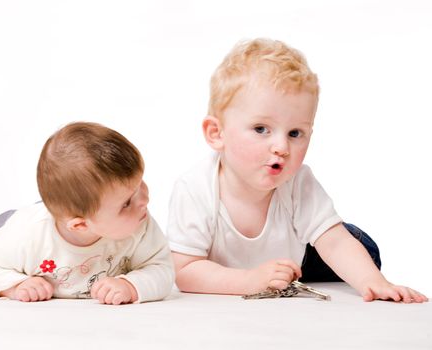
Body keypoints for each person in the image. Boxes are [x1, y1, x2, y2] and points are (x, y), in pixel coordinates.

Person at [167, 38, 427, 303]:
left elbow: (334, 242)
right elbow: (184, 270)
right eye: (261, 129)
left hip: (300, 260)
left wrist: (374, 282)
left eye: (295, 133)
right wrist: (251, 281)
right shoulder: (195, 189)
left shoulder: (297, 181)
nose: (281, 147)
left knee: (364, 250)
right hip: (240, 268)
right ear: (216, 133)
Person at [0, 122, 174, 304]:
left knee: (68, 206)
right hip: (13, 226)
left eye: (140, 184)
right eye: (127, 203)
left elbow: (162, 268)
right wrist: (15, 286)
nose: (144, 200)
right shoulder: (27, 235)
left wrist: (131, 286)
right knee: (2, 237)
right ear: (81, 225)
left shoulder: (139, 224)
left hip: (66, 215)